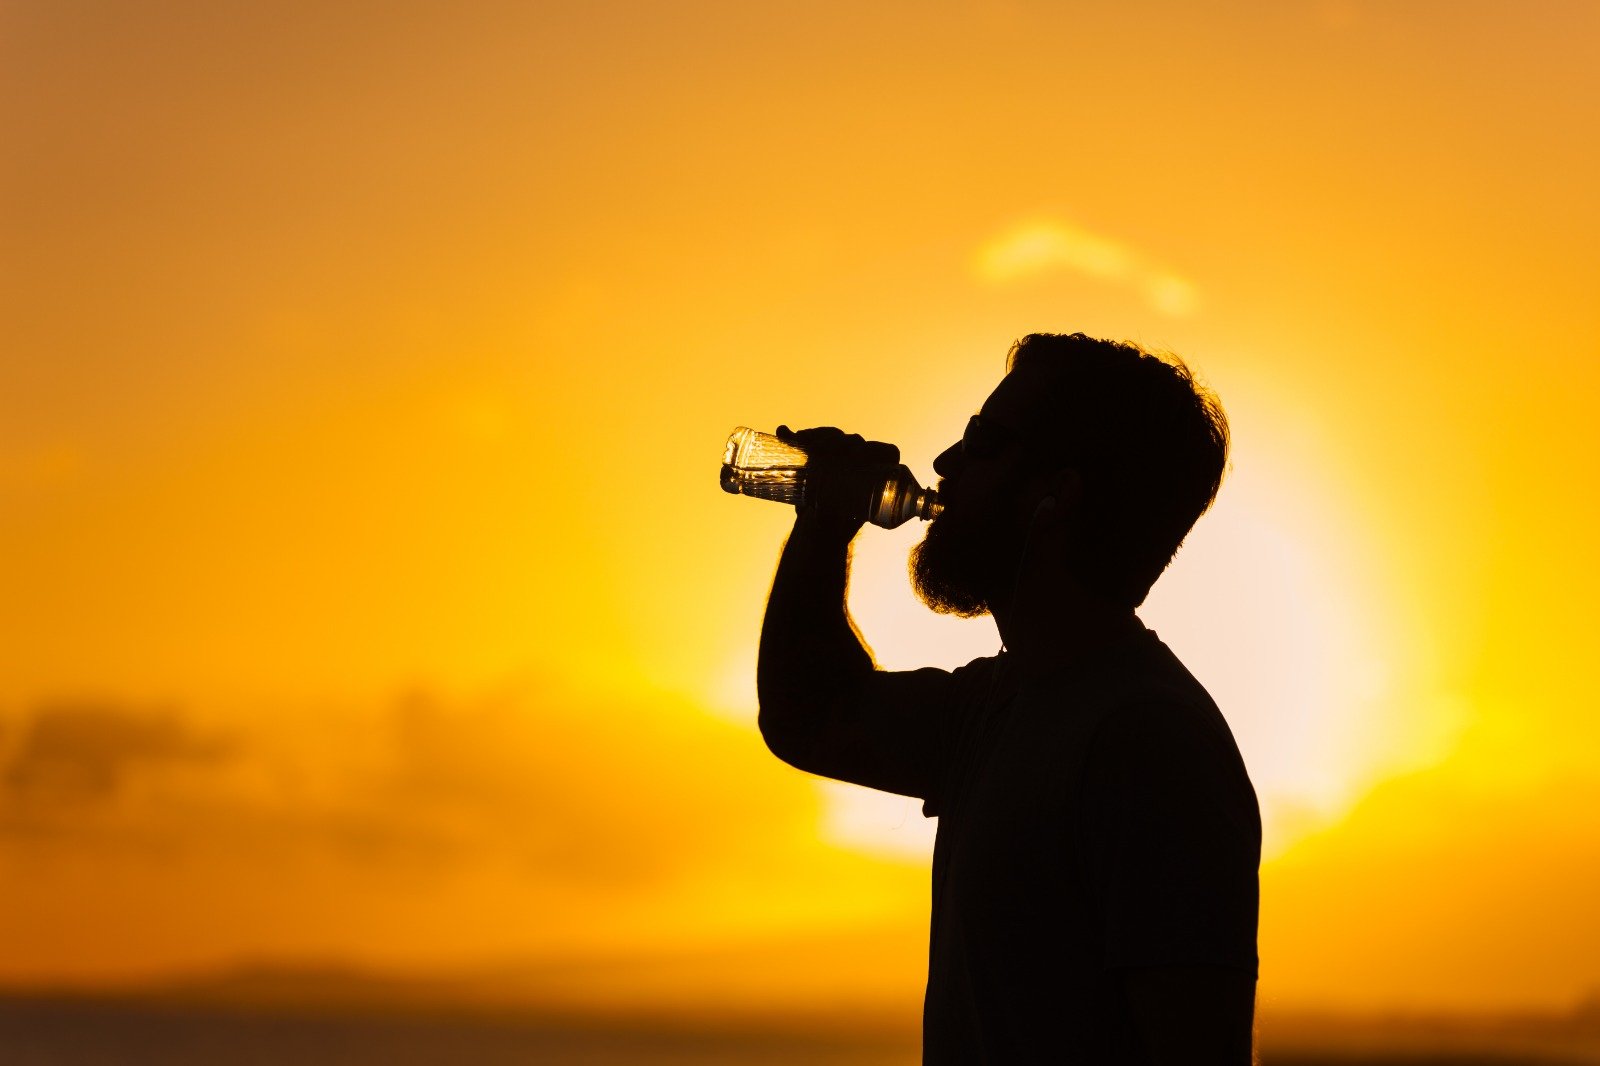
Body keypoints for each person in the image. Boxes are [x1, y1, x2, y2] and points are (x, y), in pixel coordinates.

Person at [756, 332, 1260, 1064]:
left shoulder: (1150, 744)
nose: (944, 466)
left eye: (984, 444)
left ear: (1055, 496)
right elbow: (809, 715)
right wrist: (822, 526)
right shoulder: (996, 707)